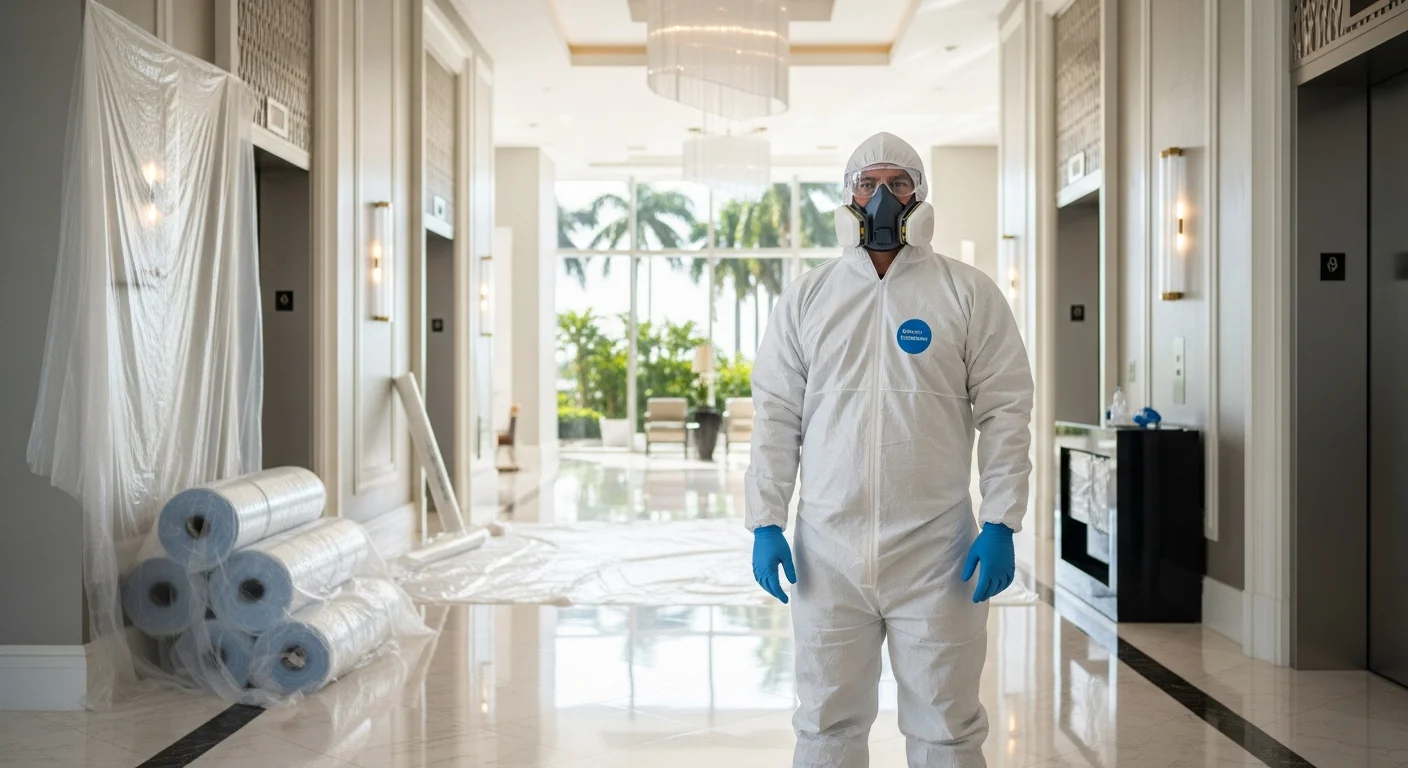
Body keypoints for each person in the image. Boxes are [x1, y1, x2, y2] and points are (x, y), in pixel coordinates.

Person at [746, 132, 1034, 768]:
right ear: (848, 195)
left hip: (939, 551)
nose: (882, 196)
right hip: (829, 549)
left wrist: (1002, 521)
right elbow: (775, 416)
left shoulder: (967, 292)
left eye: (898, 183)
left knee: (947, 726)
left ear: (920, 195)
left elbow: (1007, 410)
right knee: (825, 723)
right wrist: (766, 520)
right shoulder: (808, 298)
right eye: (868, 182)